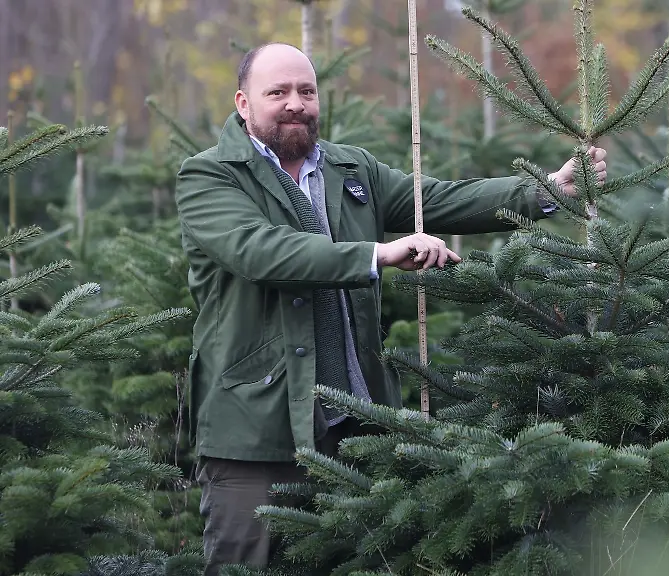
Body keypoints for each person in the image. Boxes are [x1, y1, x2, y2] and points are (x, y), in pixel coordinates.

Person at [173, 41, 607, 574]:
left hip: (356, 424)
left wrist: (546, 191)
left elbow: (439, 199)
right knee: (247, 564)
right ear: (244, 103)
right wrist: (377, 254)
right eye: (277, 92)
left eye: (306, 92)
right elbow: (259, 251)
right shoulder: (209, 175)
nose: (295, 104)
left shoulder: (351, 169)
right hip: (255, 429)